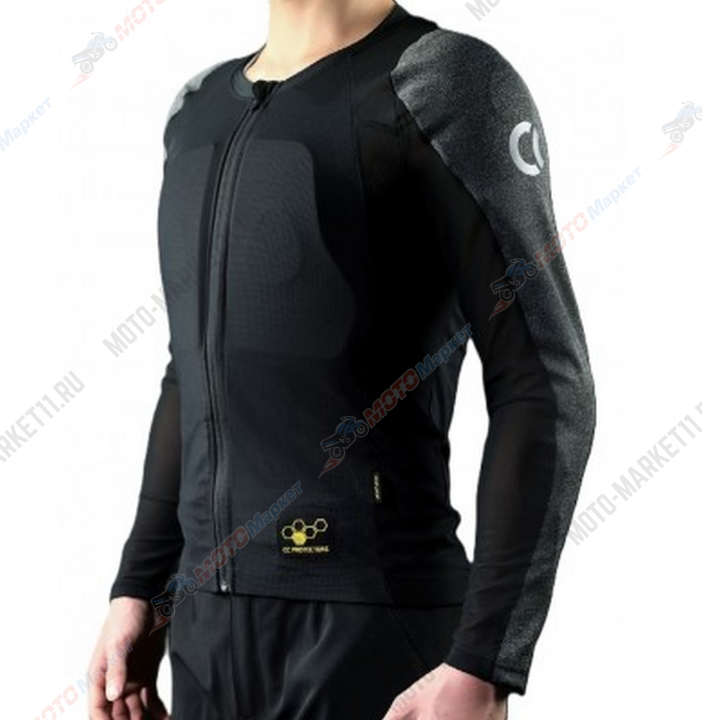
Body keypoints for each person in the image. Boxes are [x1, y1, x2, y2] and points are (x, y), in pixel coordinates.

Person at [88, 1, 596, 718]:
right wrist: (139, 587)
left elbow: (543, 380)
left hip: (373, 626)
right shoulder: (196, 109)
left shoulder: (442, 84)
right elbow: (191, 374)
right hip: (204, 635)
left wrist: (485, 661)